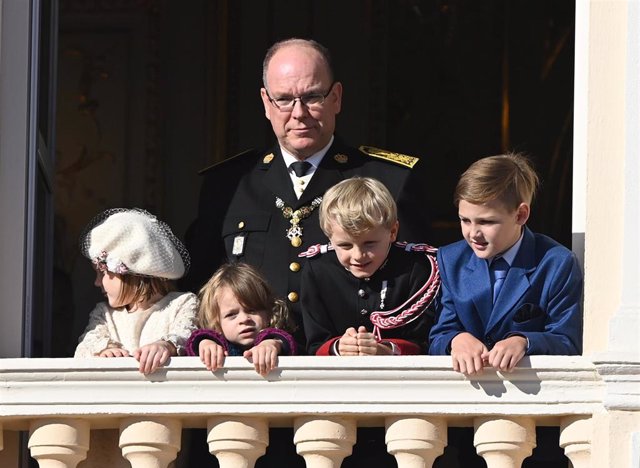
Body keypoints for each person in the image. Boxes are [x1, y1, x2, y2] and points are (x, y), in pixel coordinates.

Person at [182, 38, 430, 351]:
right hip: (252, 372)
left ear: (336, 97)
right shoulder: (227, 184)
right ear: (265, 102)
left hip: (348, 368)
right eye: (284, 99)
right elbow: (197, 289)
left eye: (312, 96)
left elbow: (422, 286)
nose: (299, 113)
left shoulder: (389, 180)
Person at [428, 153, 583, 374]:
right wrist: (456, 339)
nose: (473, 233)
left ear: (520, 214)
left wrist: (524, 341)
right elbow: (437, 336)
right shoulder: (450, 259)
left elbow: (568, 341)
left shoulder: (557, 263)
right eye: (465, 220)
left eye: (487, 221)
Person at [301, 177, 440, 356]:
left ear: (393, 232)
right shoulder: (318, 270)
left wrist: (385, 350)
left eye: (370, 244)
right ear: (329, 237)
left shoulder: (416, 267)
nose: (358, 256)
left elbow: (423, 341)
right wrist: (338, 347)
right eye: (345, 246)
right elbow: (314, 342)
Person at [74, 208, 198, 375]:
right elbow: (85, 345)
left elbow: (188, 334)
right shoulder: (104, 314)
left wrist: (166, 345)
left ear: (132, 274)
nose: (96, 283)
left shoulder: (182, 304)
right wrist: (104, 349)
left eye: (102, 273)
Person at [185, 262, 297, 376]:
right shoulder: (217, 344)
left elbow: (284, 341)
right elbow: (196, 342)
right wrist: (205, 344)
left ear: (268, 312)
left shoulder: (275, 340)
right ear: (217, 322)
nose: (244, 319)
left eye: (252, 310)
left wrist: (271, 345)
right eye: (231, 315)